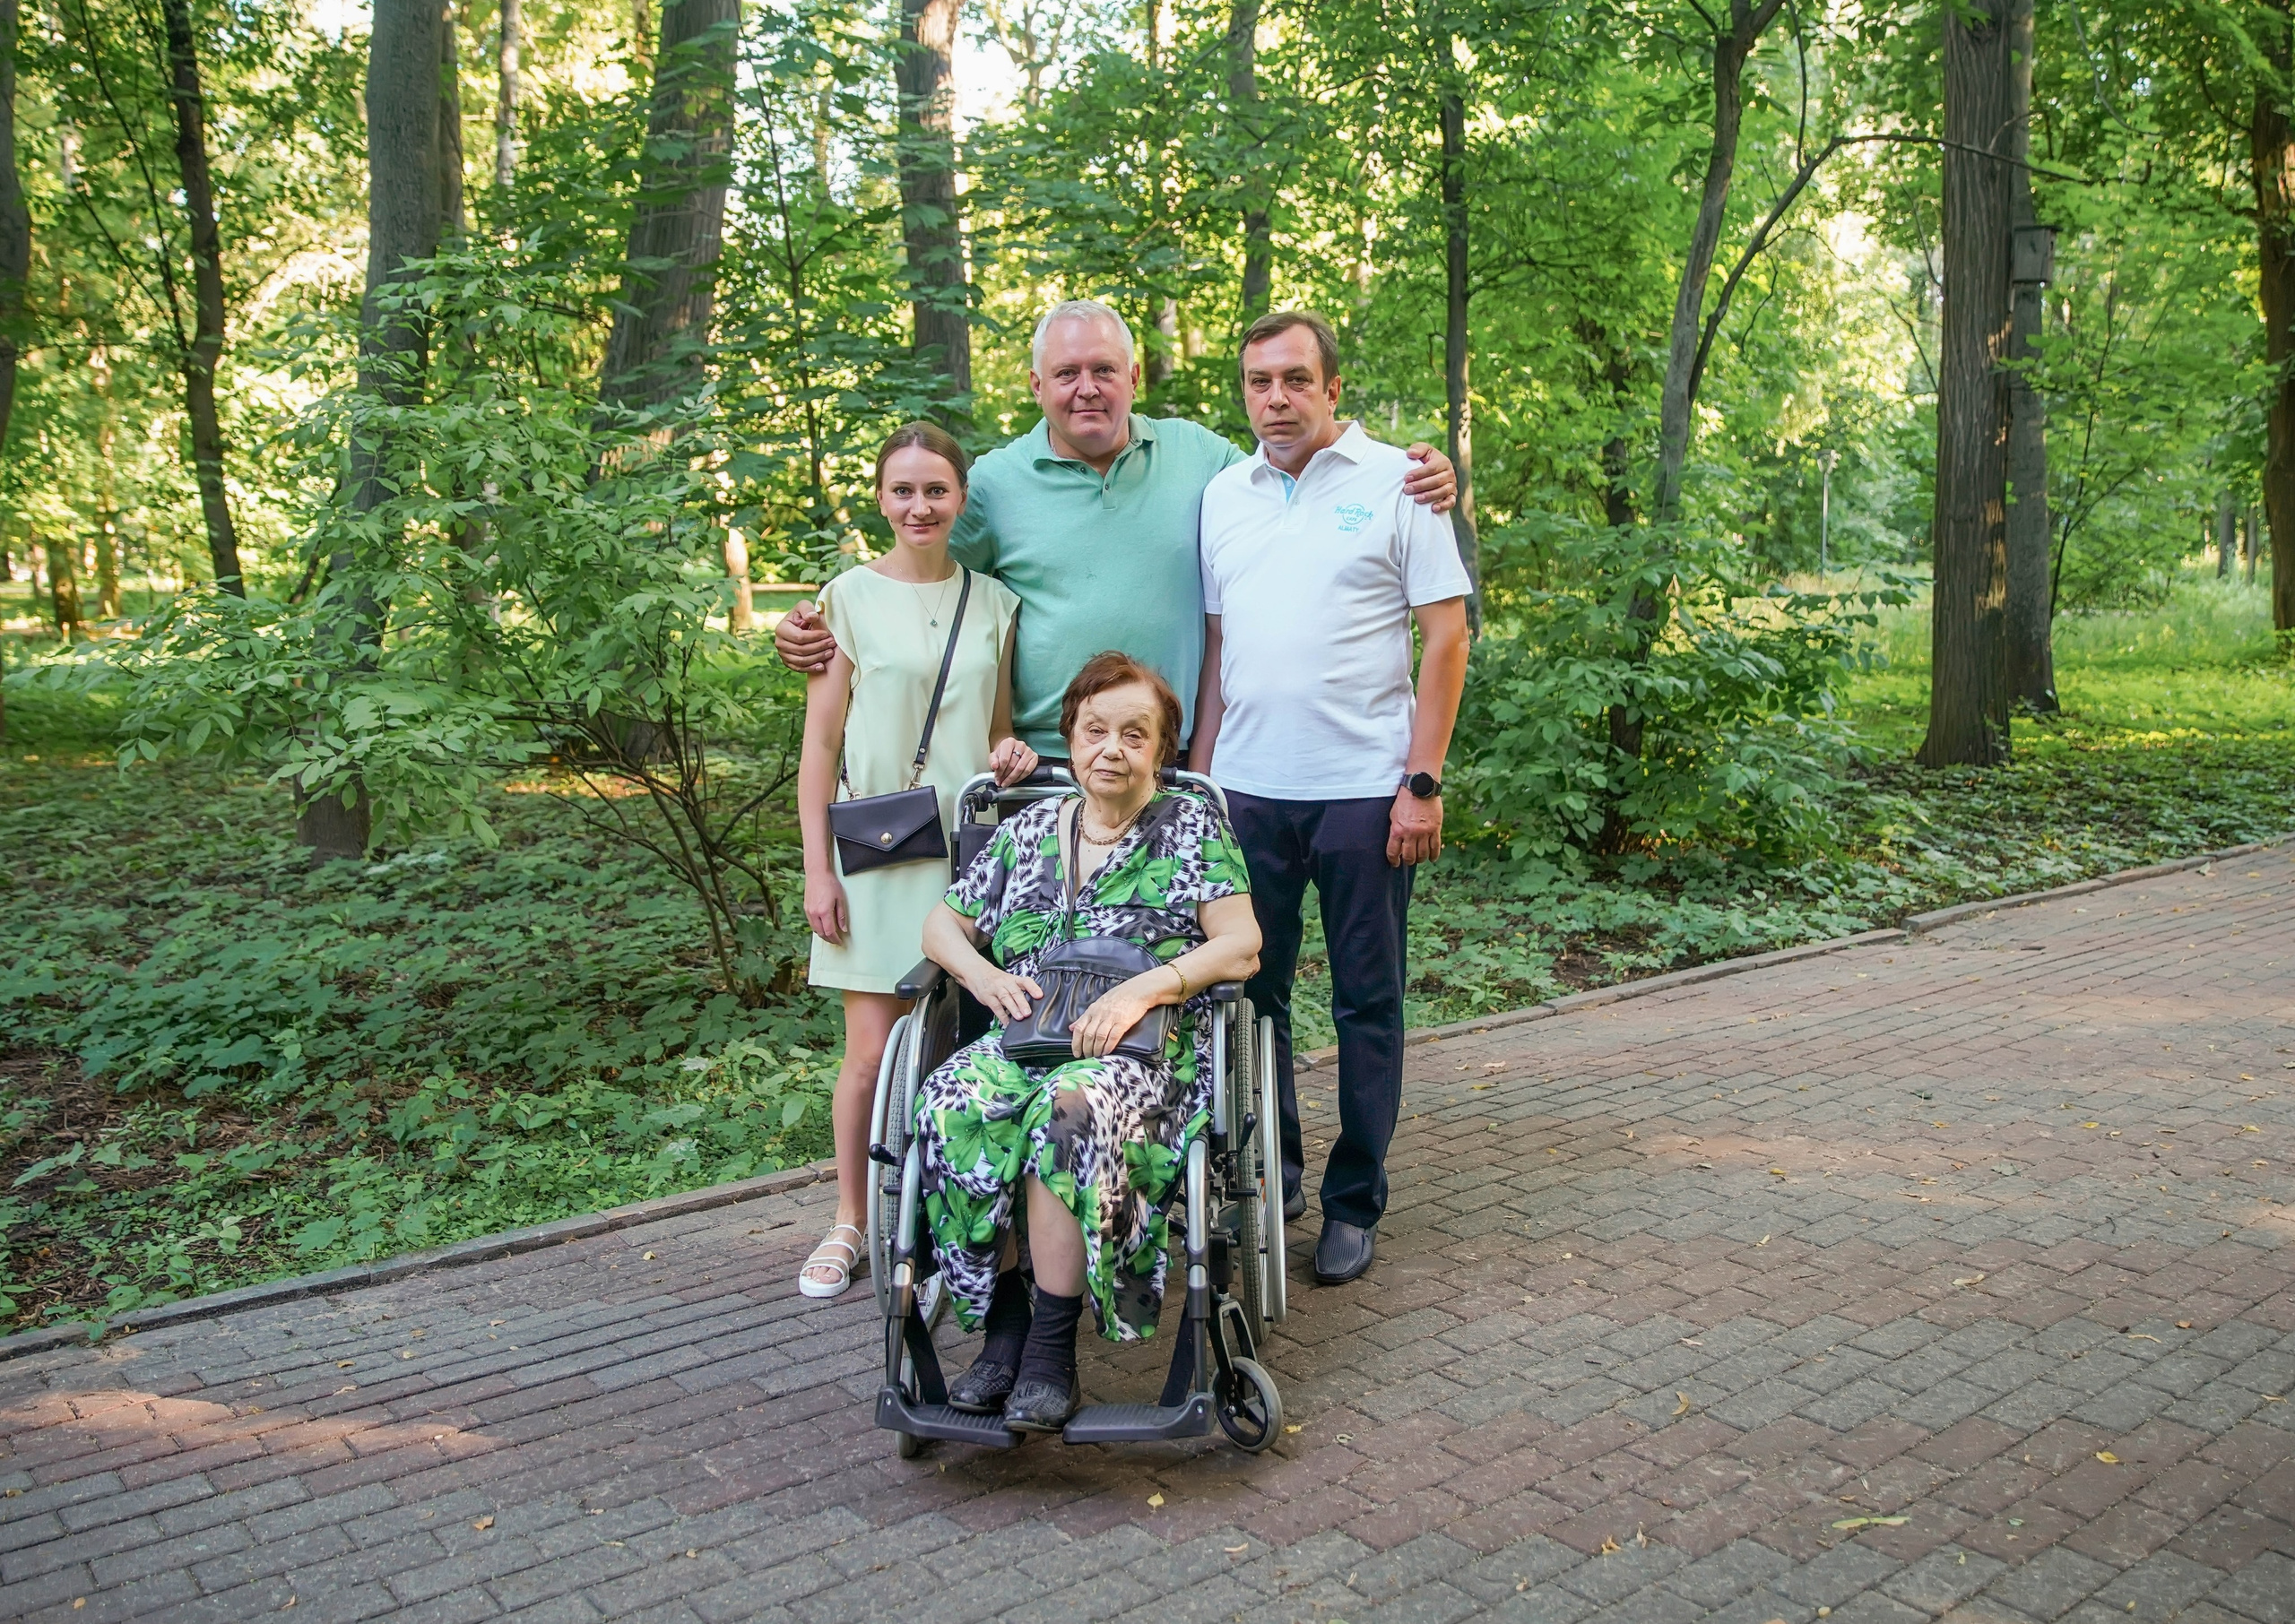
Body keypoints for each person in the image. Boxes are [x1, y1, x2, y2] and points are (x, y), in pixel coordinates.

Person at [775, 299, 1457, 754]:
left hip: (1173, 760)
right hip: (1044, 765)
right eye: (1066, 373)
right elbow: (919, 576)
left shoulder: (1201, 458)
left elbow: (1297, 474)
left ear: (1133, 376)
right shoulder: (995, 484)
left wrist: (1403, 469)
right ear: (1037, 386)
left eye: (1104, 370)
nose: (1087, 388)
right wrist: (823, 624)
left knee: (1174, 940)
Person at [1188, 310, 1472, 1287]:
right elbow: (1219, 650)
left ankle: (1355, 1201)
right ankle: (1277, 1174)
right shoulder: (1222, 495)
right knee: (1250, 997)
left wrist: (1421, 783)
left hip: (1363, 795)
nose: (1276, 399)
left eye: (1295, 379)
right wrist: (1202, 782)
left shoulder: (1402, 482)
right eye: (1258, 382)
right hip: (1247, 796)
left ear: (1332, 388)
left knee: (1366, 1002)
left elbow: (1447, 637)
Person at [911, 653, 1262, 1430]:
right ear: (1070, 739)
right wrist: (980, 975)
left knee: (1066, 1110)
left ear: (1162, 750)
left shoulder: (1192, 828)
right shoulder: (1028, 829)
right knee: (950, 1099)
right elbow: (942, 925)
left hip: (1142, 1054)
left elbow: (1241, 945)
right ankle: (1005, 1330)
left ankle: (1049, 1352)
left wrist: (1146, 988)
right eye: (1096, 730)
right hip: (1027, 1036)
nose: (1112, 749)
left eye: (1135, 735)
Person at [792, 422, 1037, 1299]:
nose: (919, 506)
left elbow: (997, 728)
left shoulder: (995, 604)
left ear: (960, 498)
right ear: (880, 499)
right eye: (903, 491)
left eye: (935, 490)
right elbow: (820, 746)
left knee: (958, 1050)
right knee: (870, 1052)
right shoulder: (846, 600)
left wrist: (1010, 753)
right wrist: (817, 869)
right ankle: (849, 1221)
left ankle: (938, 1226)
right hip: (879, 853)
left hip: (968, 857)